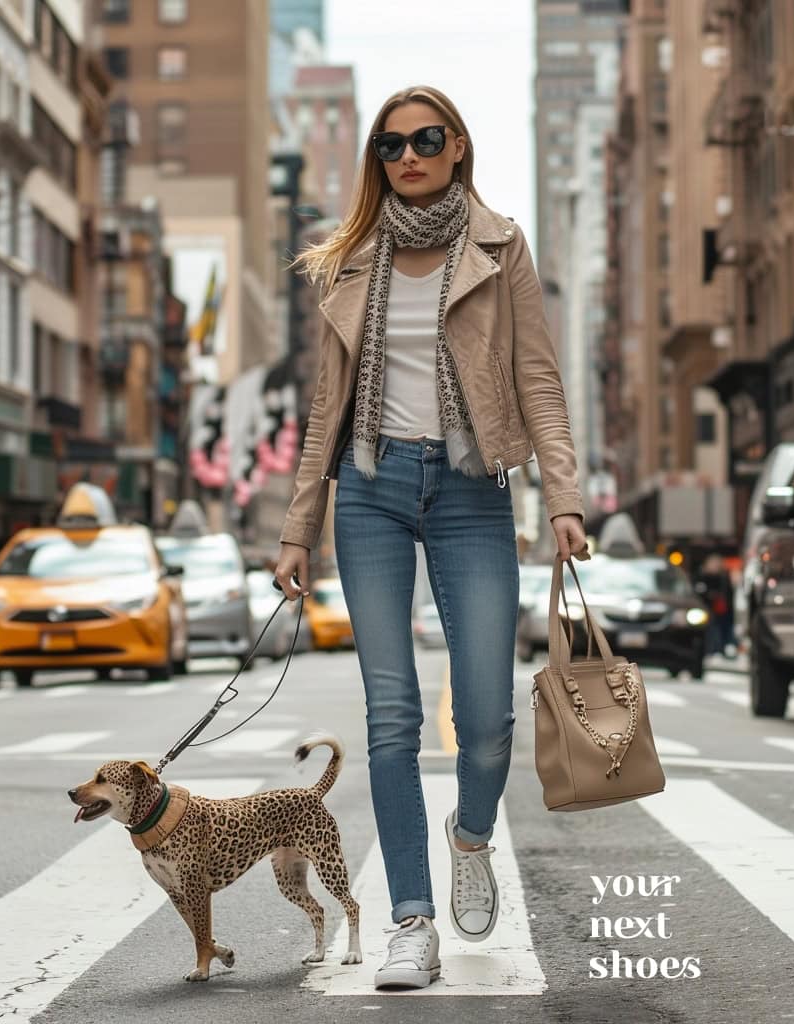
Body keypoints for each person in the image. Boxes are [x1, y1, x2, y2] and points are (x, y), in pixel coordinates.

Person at [274, 85, 589, 990]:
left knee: (487, 719)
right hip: (369, 492)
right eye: (390, 145)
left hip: (469, 488)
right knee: (390, 715)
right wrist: (301, 526)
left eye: (426, 139)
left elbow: (538, 379)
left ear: (457, 147)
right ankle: (411, 921)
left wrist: (562, 496)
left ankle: (472, 836)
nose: (407, 155)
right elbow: (325, 408)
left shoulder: (500, 245)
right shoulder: (346, 263)